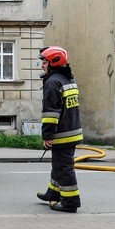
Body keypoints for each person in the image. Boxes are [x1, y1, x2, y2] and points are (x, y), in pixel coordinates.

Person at [36, 46, 83, 213]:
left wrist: (47, 135)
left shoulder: (52, 82)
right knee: (59, 165)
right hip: (72, 131)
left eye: (44, 62)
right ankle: (53, 193)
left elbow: (51, 114)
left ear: (53, 63)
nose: (42, 65)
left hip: (62, 134)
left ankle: (70, 202)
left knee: (63, 168)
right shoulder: (67, 79)